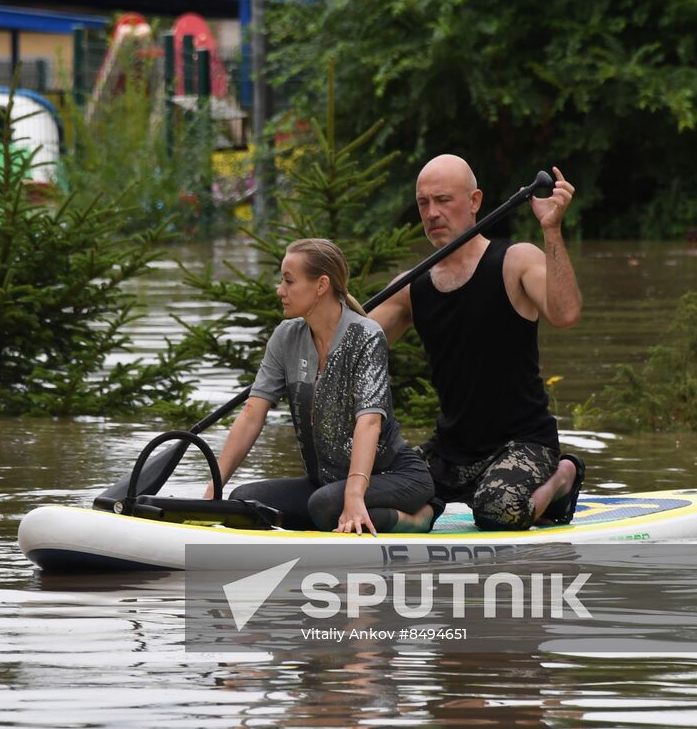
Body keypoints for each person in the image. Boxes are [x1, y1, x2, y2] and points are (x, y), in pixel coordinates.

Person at [369, 155, 584, 531]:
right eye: (424, 203)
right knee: (373, 486)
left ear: (474, 201)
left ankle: (563, 476)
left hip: (524, 444)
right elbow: (354, 342)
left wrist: (551, 230)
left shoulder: (515, 260)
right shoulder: (411, 286)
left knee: (496, 512)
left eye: (443, 200)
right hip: (451, 450)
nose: (432, 213)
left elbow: (565, 314)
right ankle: (427, 511)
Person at [204, 238, 437, 535]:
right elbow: (251, 414)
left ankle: (420, 516)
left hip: (395, 476)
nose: (280, 290)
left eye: (289, 281)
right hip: (326, 483)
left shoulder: (366, 335)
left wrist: (353, 495)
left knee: (325, 505)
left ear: (321, 285)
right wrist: (215, 489)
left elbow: (368, 423)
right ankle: (343, 512)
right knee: (244, 502)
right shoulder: (286, 336)